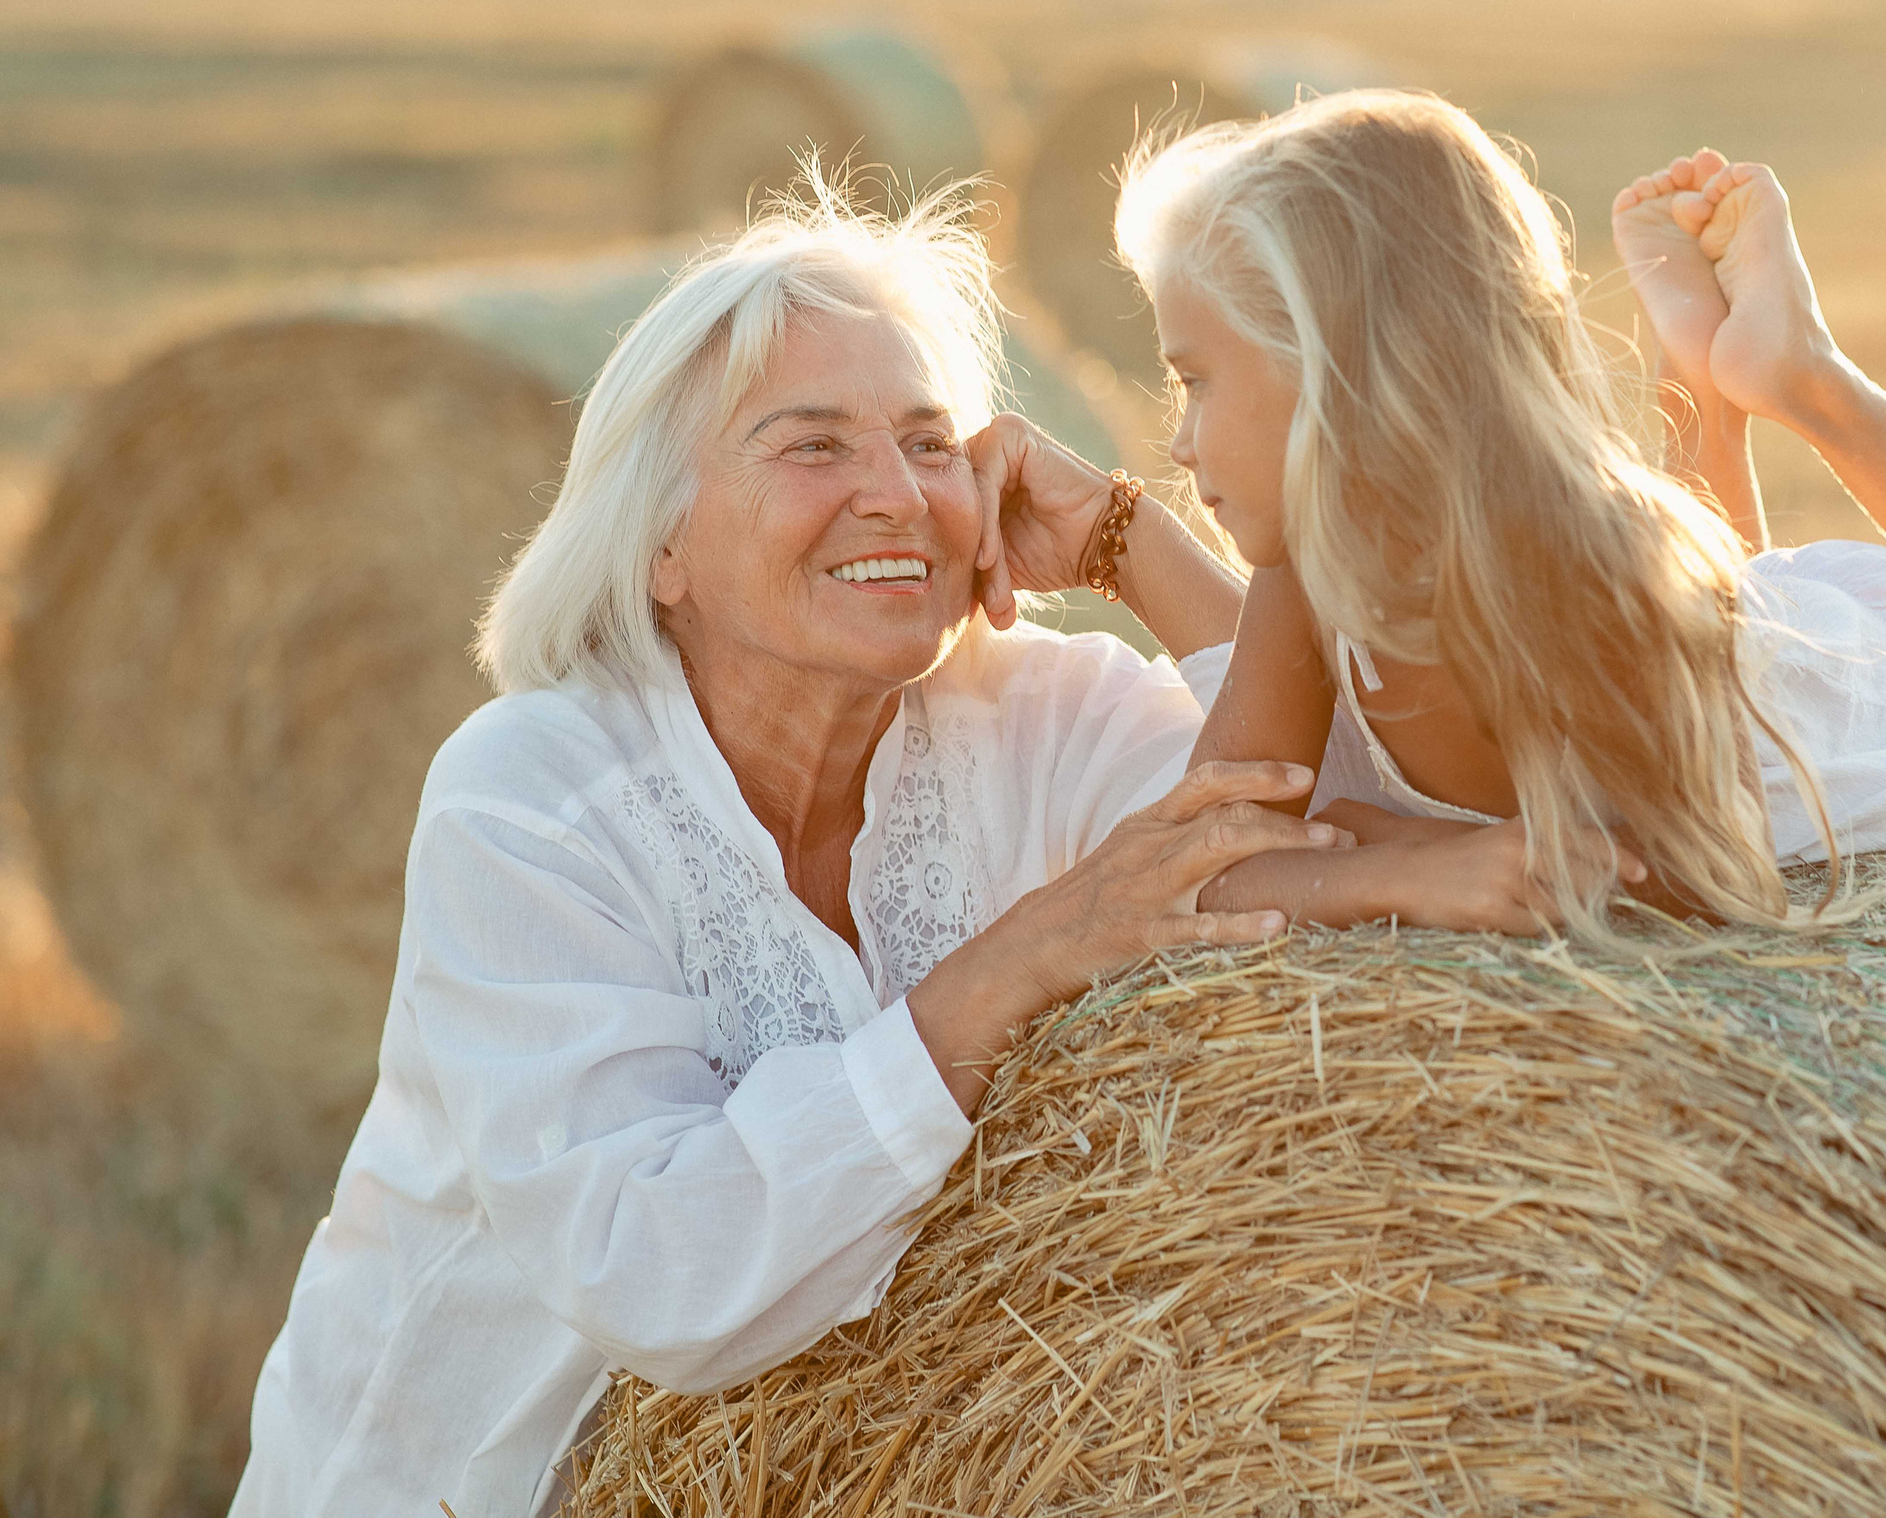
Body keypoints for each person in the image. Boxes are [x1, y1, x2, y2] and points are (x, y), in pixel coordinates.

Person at [227, 189, 1353, 1518]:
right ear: (660, 546)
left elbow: (1331, 816)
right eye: (813, 446)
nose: (898, 496)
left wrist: (1130, 534)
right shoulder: (530, 798)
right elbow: (655, 1266)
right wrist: (1026, 956)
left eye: (935, 444)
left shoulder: (1029, 708)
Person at [1116, 90, 1886, 941]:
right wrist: (1404, 867)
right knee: (1713, 578)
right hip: (1697, 627)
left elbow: (1676, 884)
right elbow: (1208, 859)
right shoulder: (1303, 573)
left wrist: (1374, 842)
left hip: (1811, 699)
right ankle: (1708, 388)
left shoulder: (1570, 587)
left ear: (1340, 372)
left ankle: (1801, 378)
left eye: (1194, 377)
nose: (1174, 439)